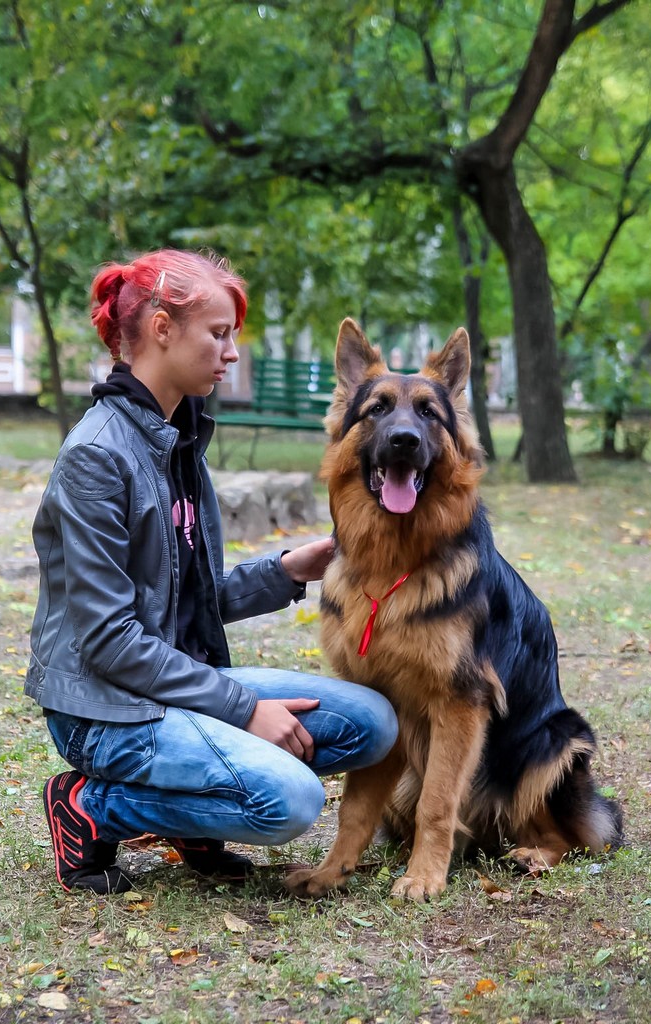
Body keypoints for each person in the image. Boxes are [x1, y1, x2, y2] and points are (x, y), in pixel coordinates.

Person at [25, 248, 398, 895]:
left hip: (171, 685)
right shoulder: (96, 456)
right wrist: (243, 708)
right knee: (289, 799)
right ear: (163, 329)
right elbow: (109, 640)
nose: (231, 353)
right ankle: (91, 808)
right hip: (103, 711)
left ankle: (189, 805)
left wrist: (285, 571)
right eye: (219, 334)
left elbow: (189, 597)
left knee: (373, 723)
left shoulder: (179, 440)